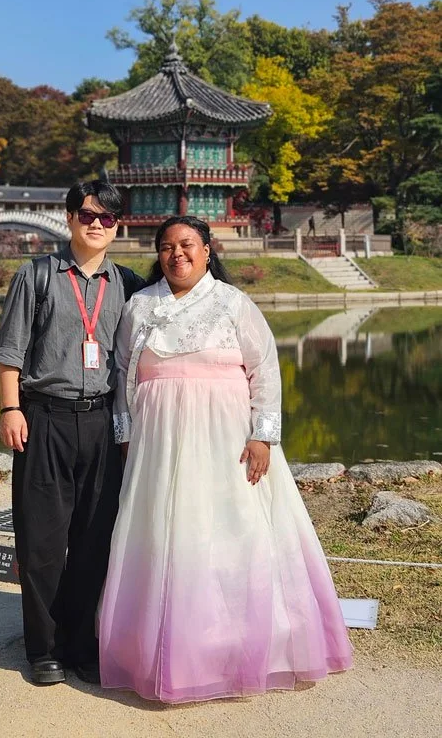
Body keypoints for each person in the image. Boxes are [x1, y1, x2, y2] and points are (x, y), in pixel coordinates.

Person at [100, 215, 353, 704]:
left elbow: (265, 371)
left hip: (226, 437)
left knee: (233, 527)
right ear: (158, 254)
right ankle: (160, 647)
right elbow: (123, 373)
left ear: (207, 250)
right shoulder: (140, 306)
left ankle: (240, 643)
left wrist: (263, 437)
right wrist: (125, 435)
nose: (177, 254)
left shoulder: (235, 303)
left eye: (187, 245)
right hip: (157, 440)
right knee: (162, 529)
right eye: (167, 246)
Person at [0, 180, 145, 687]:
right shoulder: (36, 275)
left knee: (94, 540)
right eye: (87, 215)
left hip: (102, 422)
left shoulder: (127, 284)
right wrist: (10, 408)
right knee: (41, 539)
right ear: (69, 218)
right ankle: (44, 649)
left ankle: (82, 645)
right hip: (44, 418)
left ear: (118, 226)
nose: (96, 224)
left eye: (107, 217)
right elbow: (10, 351)